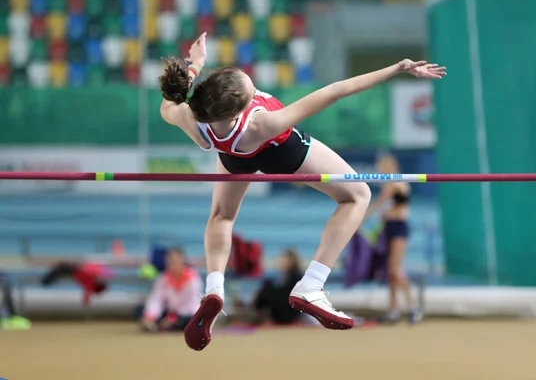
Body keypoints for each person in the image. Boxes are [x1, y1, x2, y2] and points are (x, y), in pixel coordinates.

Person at [158, 32, 446, 350]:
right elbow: (336, 91)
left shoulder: (193, 121)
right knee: (358, 195)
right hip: (281, 150)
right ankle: (311, 285)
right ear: (240, 107)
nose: (248, 78)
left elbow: (170, 102)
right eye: (247, 83)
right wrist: (397, 68)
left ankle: (214, 288)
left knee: (222, 216)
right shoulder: (264, 122)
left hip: (232, 155)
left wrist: (194, 65)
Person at [365, 155, 422, 324]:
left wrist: (365, 215)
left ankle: (413, 306)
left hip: (399, 228)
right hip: (388, 228)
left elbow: (387, 203)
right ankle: (393, 309)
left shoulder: (399, 182)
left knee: (395, 269)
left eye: (382, 167)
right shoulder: (388, 184)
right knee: (390, 272)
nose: (380, 171)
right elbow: (385, 204)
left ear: (390, 166)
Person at [141, 248, 202, 332]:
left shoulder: (193, 279)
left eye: (175, 261)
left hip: (188, 315)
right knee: (141, 311)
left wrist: (173, 318)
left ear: (182, 261)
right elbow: (156, 300)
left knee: (189, 321)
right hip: (170, 313)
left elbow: (192, 305)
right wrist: (150, 316)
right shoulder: (163, 278)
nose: (172, 264)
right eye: (169, 261)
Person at [252, 248, 303, 325]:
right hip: (288, 309)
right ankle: (259, 314)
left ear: (291, 261)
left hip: (289, 312)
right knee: (267, 287)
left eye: (284, 259)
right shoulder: (289, 275)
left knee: (267, 287)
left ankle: (259, 314)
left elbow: (287, 294)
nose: (281, 262)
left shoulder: (296, 276)